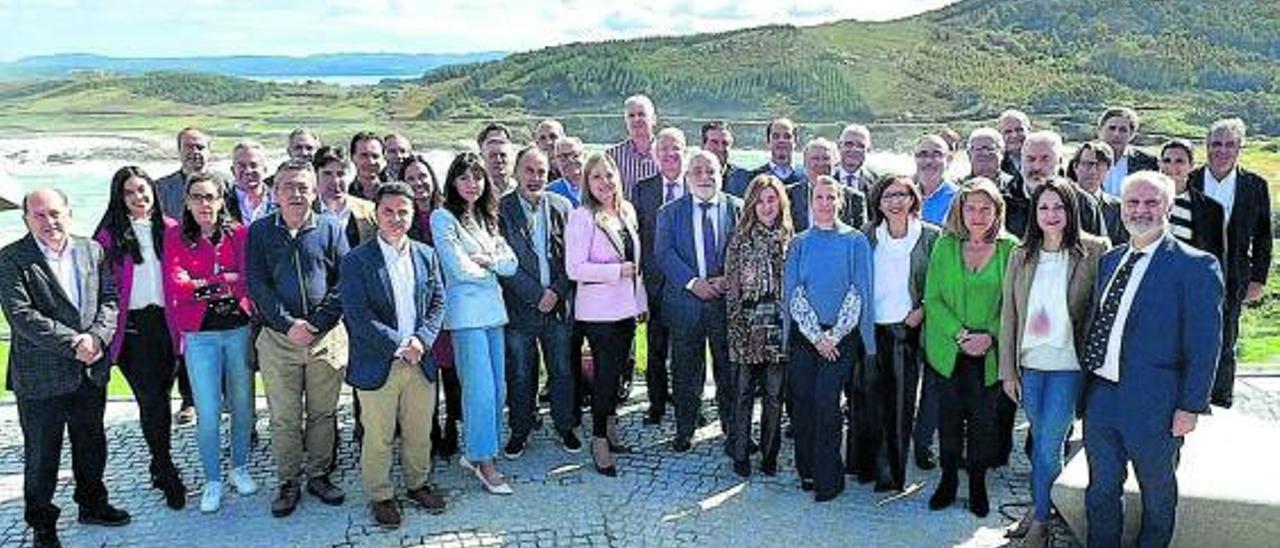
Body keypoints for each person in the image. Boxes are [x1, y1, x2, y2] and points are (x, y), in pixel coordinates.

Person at [1082, 171, 1223, 548]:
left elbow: (1206, 344)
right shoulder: (1110, 261)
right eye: (1133, 202)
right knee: (1100, 491)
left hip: (1157, 404)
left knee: (1157, 495)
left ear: (1169, 206)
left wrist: (1191, 406)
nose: (1140, 210)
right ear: (1122, 207)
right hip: (1102, 398)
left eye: (1151, 202)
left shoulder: (1196, 266)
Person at [0, 189, 129, 548]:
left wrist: (98, 340)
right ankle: (42, 524)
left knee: (91, 444)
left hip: (89, 371)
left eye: (55, 213)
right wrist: (75, 342)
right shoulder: (10, 259)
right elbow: (22, 316)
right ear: (25, 219)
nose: (49, 221)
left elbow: (109, 299)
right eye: (39, 215)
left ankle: (92, 504)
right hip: (41, 377)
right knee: (43, 454)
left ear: (69, 212)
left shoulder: (91, 250)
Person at [998, 178, 1108, 547]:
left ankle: (1042, 521)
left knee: (1048, 442)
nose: (1051, 214)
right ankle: (1040, 506)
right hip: (1030, 363)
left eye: (1058, 207)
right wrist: (1008, 371)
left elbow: (1099, 310)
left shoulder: (1094, 250)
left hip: (1068, 365)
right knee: (1041, 444)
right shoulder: (1020, 253)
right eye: (1043, 207)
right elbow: (1009, 315)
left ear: (1071, 210)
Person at [340, 182, 448, 529]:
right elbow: (357, 314)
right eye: (388, 211)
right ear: (376, 213)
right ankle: (381, 495)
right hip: (379, 363)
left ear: (413, 213)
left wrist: (422, 341)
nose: (396, 218)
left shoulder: (426, 254)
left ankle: (418, 484)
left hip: (420, 360)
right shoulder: (357, 260)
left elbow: (438, 303)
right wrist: (400, 346)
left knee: (419, 431)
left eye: (403, 211)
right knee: (379, 434)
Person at [247, 159, 351, 517]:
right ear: (275, 192)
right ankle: (288, 480)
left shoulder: (331, 228)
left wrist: (317, 324)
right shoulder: (260, 232)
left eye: (303, 187)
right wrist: (289, 324)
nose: (296, 193)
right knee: (284, 417)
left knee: (323, 413)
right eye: (288, 187)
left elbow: (344, 282)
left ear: (314, 191)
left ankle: (320, 475)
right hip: (278, 340)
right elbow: (258, 285)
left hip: (325, 339)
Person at [162, 173, 259, 513]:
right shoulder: (175, 236)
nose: (204, 204)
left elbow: (248, 280)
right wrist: (221, 283)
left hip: (238, 331)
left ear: (221, 200)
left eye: (210, 197)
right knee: (207, 411)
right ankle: (213, 480)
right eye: (197, 197)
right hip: (200, 335)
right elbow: (177, 286)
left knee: (244, 403)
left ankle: (240, 466)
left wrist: (203, 283)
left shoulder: (241, 235)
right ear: (187, 202)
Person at [92, 167, 186, 510]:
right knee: (152, 401)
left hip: (169, 325)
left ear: (153, 192)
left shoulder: (173, 229)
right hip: (132, 330)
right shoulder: (107, 237)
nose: (138, 198)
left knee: (164, 396)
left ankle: (157, 461)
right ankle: (165, 468)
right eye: (130, 192)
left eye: (143, 190)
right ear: (120, 197)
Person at [923, 177, 1017, 517]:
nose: (977, 215)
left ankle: (977, 483)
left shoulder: (1011, 250)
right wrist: (960, 334)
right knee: (948, 422)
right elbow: (931, 297)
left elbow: (1014, 303)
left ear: (997, 211)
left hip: (990, 354)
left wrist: (990, 336)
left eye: (985, 208)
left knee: (983, 423)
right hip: (949, 350)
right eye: (971, 207)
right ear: (960, 210)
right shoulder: (945, 245)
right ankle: (948, 479)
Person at [783, 175, 876, 503]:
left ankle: (829, 478)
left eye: (830, 197)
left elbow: (859, 291)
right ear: (811, 202)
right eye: (818, 197)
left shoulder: (855, 242)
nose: (824, 203)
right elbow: (793, 292)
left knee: (827, 404)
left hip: (842, 338)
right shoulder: (799, 243)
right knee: (804, 404)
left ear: (841, 201)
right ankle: (806, 469)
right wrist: (815, 336)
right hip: (805, 336)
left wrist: (833, 336)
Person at [432, 152, 519, 494]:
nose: (472, 184)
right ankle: (485, 461)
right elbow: (456, 268)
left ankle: (475, 448)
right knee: (480, 390)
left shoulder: (486, 218)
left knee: (498, 388)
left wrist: (487, 262)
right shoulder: (443, 218)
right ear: (453, 181)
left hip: (494, 314)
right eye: (465, 178)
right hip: (466, 316)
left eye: (478, 178)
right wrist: (490, 267)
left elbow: (510, 263)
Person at [850, 175, 940, 491]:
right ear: (878, 202)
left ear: (913, 198)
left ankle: (892, 472)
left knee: (901, 404)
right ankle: (868, 466)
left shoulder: (930, 237)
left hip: (907, 329)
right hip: (872, 329)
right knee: (869, 399)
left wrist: (924, 309)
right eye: (888, 195)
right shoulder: (867, 236)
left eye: (902, 194)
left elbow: (940, 283)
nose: (895, 201)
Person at [565, 152, 648, 476]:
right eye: (596, 177)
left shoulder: (626, 211)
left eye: (609, 175)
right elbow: (575, 268)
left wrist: (640, 304)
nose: (604, 182)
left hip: (626, 309)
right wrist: (615, 271)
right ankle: (599, 440)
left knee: (618, 375)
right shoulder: (582, 216)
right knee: (603, 378)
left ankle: (611, 429)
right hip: (598, 313)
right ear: (587, 182)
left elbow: (636, 264)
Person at [655, 150, 743, 453]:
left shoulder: (738, 208)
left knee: (728, 371)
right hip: (685, 305)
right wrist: (694, 284)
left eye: (711, 171)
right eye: (698, 171)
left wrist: (726, 280)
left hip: (725, 304)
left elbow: (744, 251)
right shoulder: (669, 212)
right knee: (685, 372)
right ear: (687, 176)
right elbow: (664, 254)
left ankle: (734, 430)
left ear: (721, 175)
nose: (705, 177)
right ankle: (685, 429)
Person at [498, 147, 581, 456]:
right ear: (516, 173)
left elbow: (572, 257)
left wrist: (556, 292)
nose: (535, 178)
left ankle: (564, 426)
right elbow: (502, 262)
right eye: (529, 171)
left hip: (558, 308)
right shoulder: (501, 210)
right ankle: (520, 429)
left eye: (541, 172)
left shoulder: (561, 206)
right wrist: (536, 295)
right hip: (520, 309)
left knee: (561, 369)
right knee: (520, 373)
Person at [1187, 118, 1272, 408]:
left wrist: (1258, 279)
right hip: (1189, 275)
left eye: (1229, 145)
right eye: (1216, 144)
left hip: (1234, 275)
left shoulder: (1255, 185)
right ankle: (1188, 397)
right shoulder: (1190, 180)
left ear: (1240, 148)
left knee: (1226, 338)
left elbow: (1263, 236)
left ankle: (1220, 398)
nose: (1222, 151)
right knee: (1186, 337)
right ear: (1206, 146)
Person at [725, 174, 793, 477]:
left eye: (771, 199)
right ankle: (739, 452)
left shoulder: (791, 239)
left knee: (774, 396)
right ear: (751, 204)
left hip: (779, 328)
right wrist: (737, 330)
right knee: (742, 394)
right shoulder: (739, 240)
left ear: (780, 202)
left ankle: (769, 455)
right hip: (747, 327)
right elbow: (733, 288)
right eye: (760, 200)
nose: (766, 206)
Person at [402, 154, 463, 458]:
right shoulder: (402, 219)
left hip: (450, 307)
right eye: (411, 179)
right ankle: (429, 432)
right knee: (425, 379)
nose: (418, 184)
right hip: (418, 312)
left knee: (452, 376)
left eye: (423, 177)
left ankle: (453, 426)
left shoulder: (447, 213)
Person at [154, 126, 215, 424]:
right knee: (183, 338)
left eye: (201, 147)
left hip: (214, 274)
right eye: (189, 147)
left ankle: (218, 397)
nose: (195, 152)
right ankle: (188, 399)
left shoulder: (222, 183)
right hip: (177, 273)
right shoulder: (161, 188)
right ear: (178, 151)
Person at [631, 126, 686, 425]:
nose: (669, 154)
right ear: (654, 155)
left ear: (684, 151)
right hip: (654, 284)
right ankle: (656, 404)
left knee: (686, 350)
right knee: (655, 348)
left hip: (688, 284)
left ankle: (686, 402)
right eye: (663, 149)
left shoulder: (696, 184)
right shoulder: (642, 189)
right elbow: (636, 237)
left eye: (675, 147)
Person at [1159, 139, 1225, 264]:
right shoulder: (1143, 200)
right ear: (1159, 164)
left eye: (1180, 161)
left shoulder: (1212, 209)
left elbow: (1215, 258)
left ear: (1191, 166)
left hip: (1190, 278)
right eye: (1167, 160)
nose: (1172, 166)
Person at [787, 138, 866, 232]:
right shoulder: (789, 194)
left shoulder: (854, 198)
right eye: (815, 158)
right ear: (805, 163)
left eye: (826, 158)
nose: (821, 163)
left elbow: (861, 236)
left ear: (835, 163)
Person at [314, 145, 377, 246]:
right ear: (316, 176)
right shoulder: (307, 211)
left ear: (351, 176)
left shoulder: (369, 211)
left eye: (341, 174)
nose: (335, 181)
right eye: (327, 174)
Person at [1068, 141, 1127, 245]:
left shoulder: (1118, 208)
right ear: (1075, 166)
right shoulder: (1062, 202)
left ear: (1108, 169)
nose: (1093, 171)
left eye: (1100, 165)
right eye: (1087, 164)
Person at [604, 94, 660, 195]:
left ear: (654, 119)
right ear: (625, 121)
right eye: (631, 116)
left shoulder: (666, 154)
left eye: (641, 114)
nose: (636, 119)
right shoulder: (612, 155)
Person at [1097, 107, 1158, 197]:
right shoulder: (1084, 159)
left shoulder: (1147, 163)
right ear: (1100, 130)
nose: (1116, 134)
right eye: (1112, 128)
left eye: (1123, 130)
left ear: (1131, 135)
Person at [915, 134, 959, 226]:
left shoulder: (958, 198)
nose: (929, 161)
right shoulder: (906, 196)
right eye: (923, 154)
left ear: (949, 159)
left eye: (937, 154)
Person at [230, 140, 276, 225]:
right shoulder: (223, 202)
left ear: (265, 169)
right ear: (233, 170)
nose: (248, 171)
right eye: (242, 166)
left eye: (253, 165)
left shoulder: (278, 200)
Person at [751, 118, 805, 186]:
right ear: (768, 141)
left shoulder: (806, 177)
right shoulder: (755, 177)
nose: (781, 140)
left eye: (787, 136)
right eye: (776, 136)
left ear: (795, 141)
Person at [704, 121, 748, 197]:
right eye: (714, 142)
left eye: (725, 143)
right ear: (703, 145)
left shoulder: (744, 179)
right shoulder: (690, 177)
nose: (720, 148)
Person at [836, 124, 876, 193]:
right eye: (849, 144)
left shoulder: (876, 183)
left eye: (860, 146)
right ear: (839, 146)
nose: (854, 149)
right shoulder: (826, 177)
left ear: (867, 150)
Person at [478, 123, 517, 195]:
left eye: (503, 155)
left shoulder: (522, 191)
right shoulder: (474, 193)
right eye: (492, 155)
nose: (498, 160)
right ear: (481, 156)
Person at [548, 137, 587, 207]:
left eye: (575, 155)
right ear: (555, 162)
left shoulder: (598, 186)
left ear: (584, 157)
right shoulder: (550, 192)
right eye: (563, 157)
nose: (570, 161)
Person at [348, 132, 387, 200]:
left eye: (375, 156)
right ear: (353, 158)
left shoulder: (392, 192)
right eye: (364, 155)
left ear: (383, 158)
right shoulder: (344, 193)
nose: (370, 162)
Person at [997, 109, 1030, 183]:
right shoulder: (996, 163)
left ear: (1029, 130)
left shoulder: (1043, 158)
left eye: (1019, 130)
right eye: (1008, 132)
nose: (1014, 135)